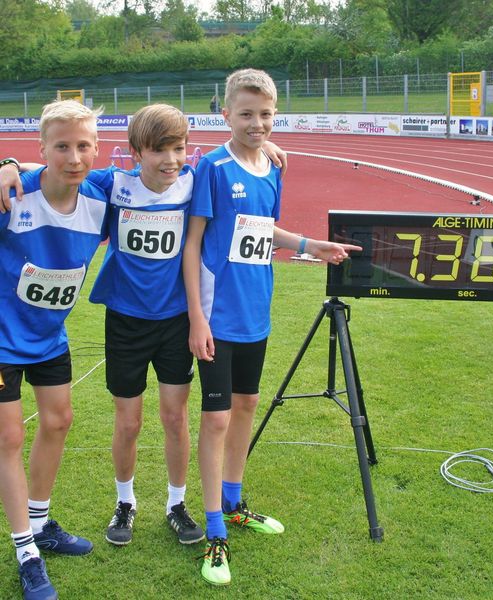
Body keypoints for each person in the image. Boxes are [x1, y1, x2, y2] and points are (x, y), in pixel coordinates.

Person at [0, 103, 288, 552]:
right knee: (128, 421)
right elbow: (57, 169)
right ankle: (125, 502)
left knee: (175, 417)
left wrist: (260, 141)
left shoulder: (194, 182)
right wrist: (9, 163)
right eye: (158, 151)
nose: (170, 160)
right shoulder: (113, 186)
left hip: (175, 323)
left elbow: (225, 158)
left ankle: (176, 504)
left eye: (178, 150)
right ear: (134, 153)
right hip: (126, 322)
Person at [182, 68, 361, 586]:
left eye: (265, 114)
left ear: (275, 114)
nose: (256, 123)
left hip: (256, 310)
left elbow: (263, 230)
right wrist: (196, 316)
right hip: (217, 316)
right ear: (226, 115)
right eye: (245, 114)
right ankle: (214, 530)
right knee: (215, 420)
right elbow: (194, 244)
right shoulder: (212, 168)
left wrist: (308, 245)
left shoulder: (273, 165)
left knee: (247, 406)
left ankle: (235, 504)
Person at [0, 100, 107, 600]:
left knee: (58, 421)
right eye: (61, 146)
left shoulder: (102, 198)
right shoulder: (13, 195)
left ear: (96, 149)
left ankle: (41, 523)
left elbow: (166, 171)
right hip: (0, 340)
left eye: (83, 145)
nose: (74, 156)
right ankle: (26, 551)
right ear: (41, 150)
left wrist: (259, 141)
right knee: (7, 441)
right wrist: (6, 166)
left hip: (47, 338)